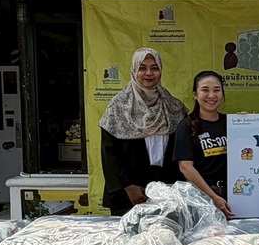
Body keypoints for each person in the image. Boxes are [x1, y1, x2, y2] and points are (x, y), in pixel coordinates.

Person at [98, 48, 187, 215]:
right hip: (129, 195)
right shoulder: (119, 106)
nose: (149, 73)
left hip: (166, 193)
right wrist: (127, 186)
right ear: (134, 70)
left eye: (154, 68)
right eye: (142, 68)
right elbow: (109, 154)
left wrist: (175, 189)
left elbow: (181, 152)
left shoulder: (173, 106)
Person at [173, 70, 232, 217]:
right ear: (195, 94)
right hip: (202, 200)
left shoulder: (231, 123)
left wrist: (249, 125)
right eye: (205, 90)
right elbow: (186, 167)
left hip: (233, 195)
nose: (211, 95)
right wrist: (213, 197)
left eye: (217, 90)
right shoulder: (186, 126)